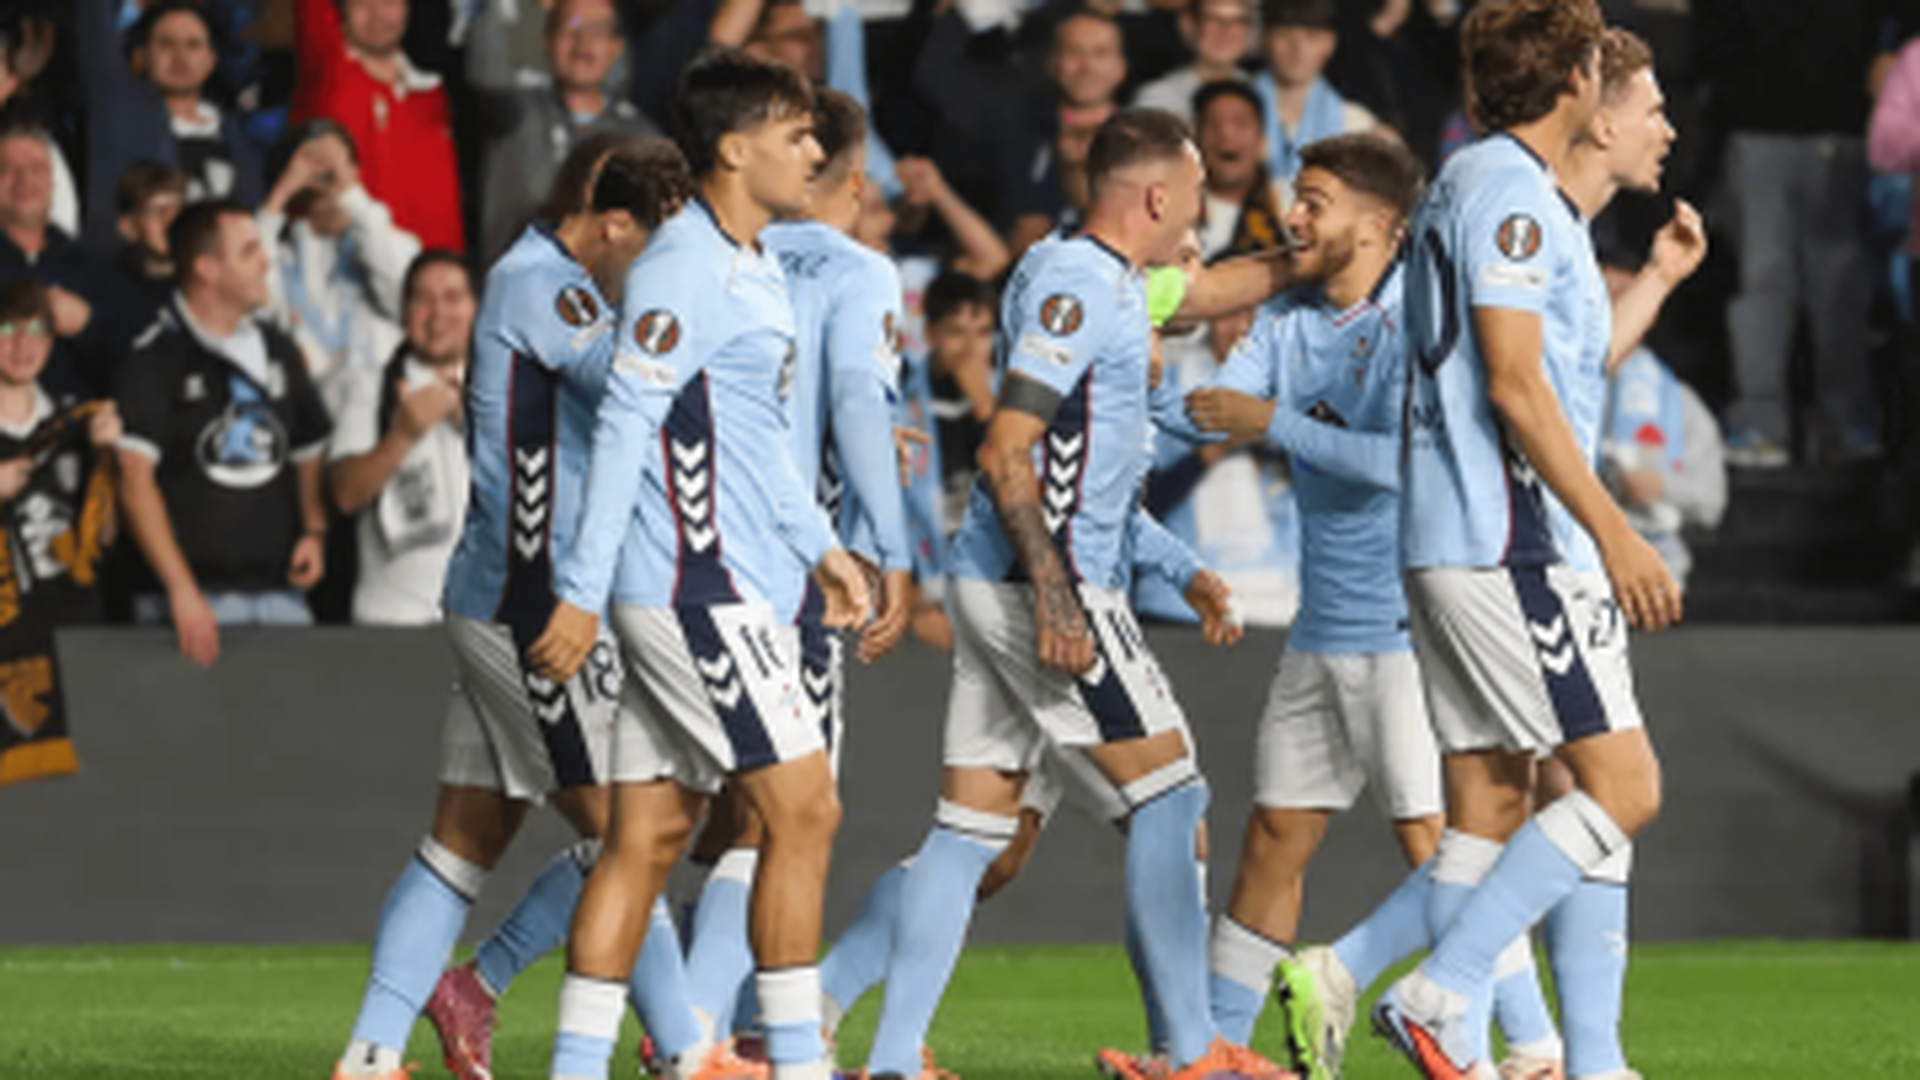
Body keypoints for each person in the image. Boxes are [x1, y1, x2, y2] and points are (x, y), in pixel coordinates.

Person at [846, 108, 1287, 1080]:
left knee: (972, 837)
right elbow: (1008, 446)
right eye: (1197, 196)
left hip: (999, 575)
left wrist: (1310, 254)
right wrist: (1055, 595)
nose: (1204, 213)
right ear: (1159, 197)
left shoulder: (1100, 275)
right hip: (1042, 580)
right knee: (1173, 799)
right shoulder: (1083, 289)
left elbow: (1211, 289)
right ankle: (1188, 1054)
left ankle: (864, 1048)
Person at [528, 49, 872, 1080]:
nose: (815, 147)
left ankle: (575, 1070)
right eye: (795, 130)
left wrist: (823, 549)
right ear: (734, 148)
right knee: (805, 809)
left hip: (708, 582)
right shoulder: (682, 264)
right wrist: (580, 597)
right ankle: (798, 1066)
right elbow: (627, 423)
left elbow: (756, 442)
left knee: (649, 833)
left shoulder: (753, 264)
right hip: (688, 589)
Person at [328, 138, 700, 1080]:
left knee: (461, 843)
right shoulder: (544, 283)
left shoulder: (553, 280)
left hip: (503, 594)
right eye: (649, 249)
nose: (650, 275)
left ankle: (373, 1054)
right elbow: (636, 385)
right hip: (532, 609)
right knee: (629, 834)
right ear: (608, 217)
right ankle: (688, 1054)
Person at [1367, 2, 1679, 1077]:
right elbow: (1513, 385)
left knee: (1494, 811)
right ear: (1578, 77)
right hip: (1513, 540)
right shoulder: (1511, 196)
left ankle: (1590, 1063)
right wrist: (1618, 531)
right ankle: (1439, 992)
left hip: (1453, 538)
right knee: (1622, 788)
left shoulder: (1473, 181)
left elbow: (1533, 374)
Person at [1172, 132, 1442, 1058]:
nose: (1295, 215)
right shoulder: (1286, 325)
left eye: (1315, 200)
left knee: (1444, 853)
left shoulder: (1419, 320)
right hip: (1322, 630)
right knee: (1275, 838)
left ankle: (1513, 1049)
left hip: (1413, 636)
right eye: (1298, 196)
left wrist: (1273, 423)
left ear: (1378, 226)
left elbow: (1412, 464)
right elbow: (1208, 409)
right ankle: (1218, 1054)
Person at [668, 85, 918, 1059]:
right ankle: (699, 1029)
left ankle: (699, 1025)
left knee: (696, 810)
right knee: (785, 819)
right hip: (791, 580)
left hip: (692, 562)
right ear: (851, 181)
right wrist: (887, 547)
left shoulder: (736, 251)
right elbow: (857, 397)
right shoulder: (860, 273)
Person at [115, 200, 333, 663]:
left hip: (282, 596)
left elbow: (309, 444)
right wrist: (182, 591)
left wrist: (314, 528)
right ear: (207, 269)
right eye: (249, 250)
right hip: (189, 610)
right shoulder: (155, 355)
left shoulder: (276, 345)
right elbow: (133, 478)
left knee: (299, 735)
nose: (266, 260)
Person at [1695, 0, 1894, 465]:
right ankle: (1762, 425)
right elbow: (1712, 32)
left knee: (1840, 289)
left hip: (1841, 129)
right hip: (1757, 126)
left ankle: (1842, 424)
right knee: (1764, 285)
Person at [0, 279, 120, 788]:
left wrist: (111, 460)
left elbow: (107, 538)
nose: (22, 346)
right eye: (5, 331)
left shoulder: (74, 421)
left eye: (35, 331)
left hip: (74, 637)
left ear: (52, 342)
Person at [326, 251, 476, 626]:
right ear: (404, 311)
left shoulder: (513, 390)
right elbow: (345, 495)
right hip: (393, 618)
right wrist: (403, 435)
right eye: (422, 299)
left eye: (452, 298)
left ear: (477, 307)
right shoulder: (372, 386)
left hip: (487, 625)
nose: (437, 314)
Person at [469, 0, 662, 262]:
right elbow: (485, 72)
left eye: (598, 31)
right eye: (570, 29)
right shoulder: (514, 114)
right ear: (545, 40)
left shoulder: (644, 139)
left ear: (617, 48)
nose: (583, 43)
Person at [257, 120, 423, 419]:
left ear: (356, 172)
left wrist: (351, 194)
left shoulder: (396, 243)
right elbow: (254, 303)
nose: (324, 173)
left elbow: (403, 295)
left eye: (334, 162)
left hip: (384, 416)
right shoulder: (279, 255)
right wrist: (279, 195)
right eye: (311, 161)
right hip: (306, 419)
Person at [75, 0, 263, 250]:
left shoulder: (239, 138)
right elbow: (95, 33)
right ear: (141, 56)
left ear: (211, 59)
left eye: (193, 45)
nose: (180, 57)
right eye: (166, 44)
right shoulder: (118, 114)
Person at [293, 0, 466, 252]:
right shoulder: (330, 73)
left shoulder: (432, 93)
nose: (376, 17)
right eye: (361, 4)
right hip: (349, 273)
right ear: (341, 11)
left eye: (388, 3)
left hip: (427, 275)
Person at [0, 124, 101, 398]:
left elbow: (124, 361)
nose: (24, 179)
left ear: (52, 182)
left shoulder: (88, 265)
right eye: (9, 169)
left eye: (36, 169)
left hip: (73, 424)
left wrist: (88, 325)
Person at [1253, 0, 1380, 186]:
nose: (1297, 50)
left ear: (1329, 43)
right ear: (1265, 39)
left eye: (1311, 37)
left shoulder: (1356, 125)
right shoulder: (1226, 113)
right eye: (1284, 35)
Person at [90, 162, 186, 373]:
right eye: (157, 211)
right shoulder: (107, 285)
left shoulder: (205, 274)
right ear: (128, 228)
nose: (171, 220)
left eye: (177, 208)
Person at [1134, 0, 1258, 122]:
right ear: (1188, 25)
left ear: (1250, 31)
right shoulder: (1156, 101)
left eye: (1238, 21)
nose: (1226, 31)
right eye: (1213, 19)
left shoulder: (1261, 91)